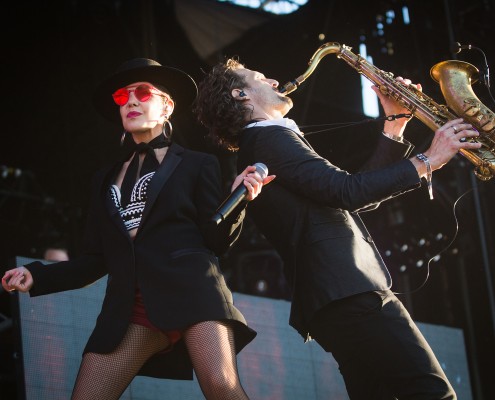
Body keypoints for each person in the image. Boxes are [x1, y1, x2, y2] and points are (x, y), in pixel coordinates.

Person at [193, 58, 481, 399]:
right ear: (241, 94)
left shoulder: (263, 144)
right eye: (260, 77)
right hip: (350, 291)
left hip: (334, 301)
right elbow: (348, 191)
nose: (272, 79)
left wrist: (394, 125)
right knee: (432, 393)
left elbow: (349, 197)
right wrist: (429, 159)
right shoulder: (270, 139)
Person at [2, 58, 274, 400]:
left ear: (167, 107)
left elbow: (215, 239)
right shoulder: (104, 179)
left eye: (143, 93)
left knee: (221, 386)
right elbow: (95, 259)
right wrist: (38, 276)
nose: (130, 101)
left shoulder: (196, 164)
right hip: (132, 305)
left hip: (192, 291)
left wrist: (240, 200)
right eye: (122, 97)